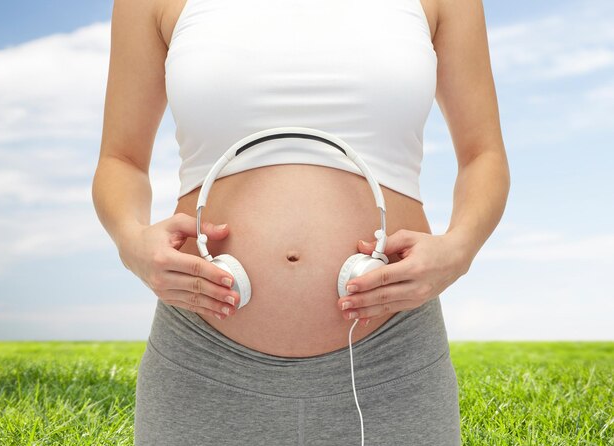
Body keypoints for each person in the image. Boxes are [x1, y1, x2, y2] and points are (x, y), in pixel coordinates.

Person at [92, 0, 509, 444]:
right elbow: (122, 160)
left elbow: (483, 154)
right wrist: (131, 239)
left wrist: (460, 248)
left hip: (393, 357)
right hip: (202, 357)